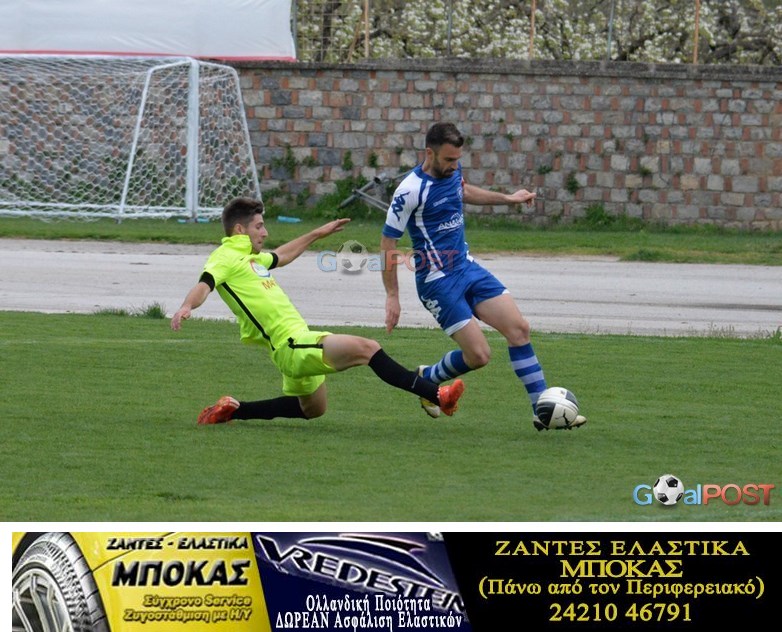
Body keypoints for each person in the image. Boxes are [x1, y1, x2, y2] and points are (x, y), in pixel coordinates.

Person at [170, 196, 464, 425]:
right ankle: (436, 394)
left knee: (312, 409)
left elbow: (282, 255)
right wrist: (187, 305)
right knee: (368, 348)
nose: (265, 232)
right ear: (239, 230)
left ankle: (234, 411)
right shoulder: (224, 256)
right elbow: (205, 283)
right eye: (259, 226)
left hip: (294, 342)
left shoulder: (250, 259)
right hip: (291, 344)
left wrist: (317, 233)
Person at [381, 122, 585, 431]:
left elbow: (462, 191)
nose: (454, 165)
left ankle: (542, 410)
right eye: (449, 159)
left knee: (519, 329)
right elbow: (387, 244)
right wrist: (392, 296)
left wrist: (509, 199)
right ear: (429, 153)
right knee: (479, 355)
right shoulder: (409, 191)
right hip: (437, 282)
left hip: (466, 267)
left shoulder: (452, 171)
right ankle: (427, 379)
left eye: (457, 159)